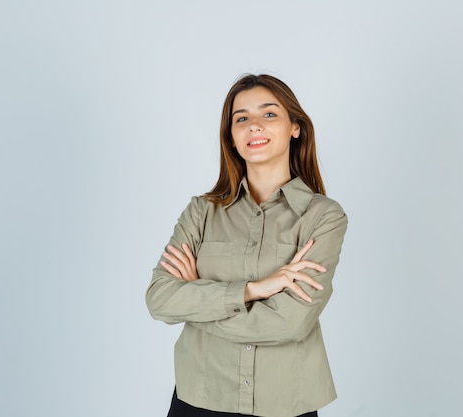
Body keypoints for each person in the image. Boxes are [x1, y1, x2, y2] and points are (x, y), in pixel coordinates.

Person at [145, 74, 348, 417]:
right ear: (232, 137)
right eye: (242, 118)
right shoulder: (201, 211)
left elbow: (289, 323)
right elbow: (160, 299)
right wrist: (252, 290)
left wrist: (198, 302)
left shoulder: (322, 217)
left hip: (285, 405)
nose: (254, 126)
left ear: (295, 127)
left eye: (269, 114)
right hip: (199, 399)